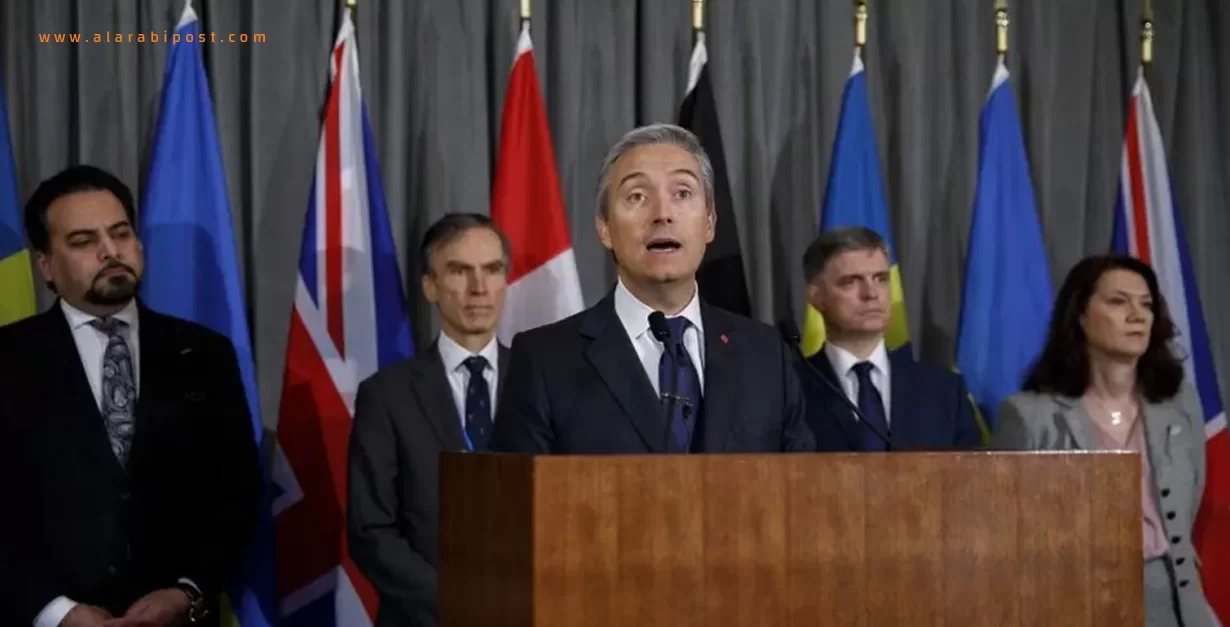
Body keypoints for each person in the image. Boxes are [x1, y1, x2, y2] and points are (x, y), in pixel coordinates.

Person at [0, 165, 261, 627]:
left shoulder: (204, 353)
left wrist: (187, 592)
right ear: (46, 266)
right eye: (83, 241)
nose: (110, 251)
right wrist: (56, 611)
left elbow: (237, 491)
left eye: (120, 233)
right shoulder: (8, 358)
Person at [490, 123, 813, 454]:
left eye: (682, 193)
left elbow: (801, 480)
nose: (662, 214)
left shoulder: (766, 356)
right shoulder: (544, 361)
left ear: (710, 223)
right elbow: (519, 485)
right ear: (605, 228)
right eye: (637, 196)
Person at [991, 254, 1218, 627]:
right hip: (1079, 604)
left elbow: (1190, 497)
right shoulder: (1029, 416)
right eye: (1118, 302)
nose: (1137, 315)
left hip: (1178, 602)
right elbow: (1008, 534)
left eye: (1146, 304)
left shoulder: (1179, 404)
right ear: (1080, 315)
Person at [347, 213, 512, 627]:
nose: (479, 288)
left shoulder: (544, 381)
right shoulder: (386, 395)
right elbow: (371, 530)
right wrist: (454, 600)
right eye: (460, 271)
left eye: (492, 269)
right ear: (430, 287)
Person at [797, 226, 980, 452]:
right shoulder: (790, 389)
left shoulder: (944, 390)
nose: (871, 293)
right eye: (850, 282)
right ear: (816, 296)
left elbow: (971, 472)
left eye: (881, 279)